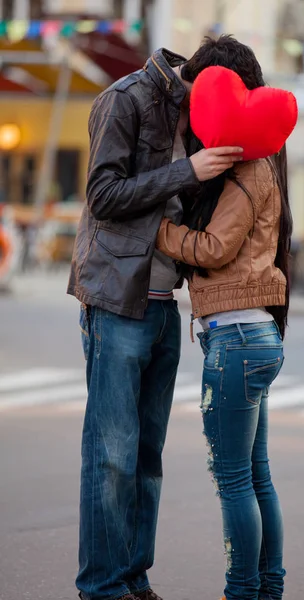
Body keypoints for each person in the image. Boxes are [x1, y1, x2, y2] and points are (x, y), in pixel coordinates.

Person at [68, 40, 244, 600]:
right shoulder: (126, 100)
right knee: (112, 454)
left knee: (146, 458)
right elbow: (102, 194)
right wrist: (186, 170)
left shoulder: (200, 118)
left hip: (169, 305)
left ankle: (132, 577)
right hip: (118, 299)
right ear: (209, 84)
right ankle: (101, 585)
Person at [156, 36, 293, 600]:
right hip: (254, 333)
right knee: (256, 476)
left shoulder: (244, 174)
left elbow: (214, 248)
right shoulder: (262, 168)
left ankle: (244, 591)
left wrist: (159, 232)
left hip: (235, 338)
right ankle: (267, 587)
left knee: (235, 480)